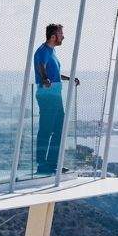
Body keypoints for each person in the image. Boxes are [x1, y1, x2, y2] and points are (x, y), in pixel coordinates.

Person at [33, 22, 79, 175]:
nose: (63, 37)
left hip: (55, 96)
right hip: (47, 96)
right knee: (46, 130)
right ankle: (41, 164)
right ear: (53, 36)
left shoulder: (52, 51)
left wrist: (70, 78)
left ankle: (53, 163)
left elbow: (55, 75)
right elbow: (41, 66)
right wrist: (45, 79)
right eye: (61, 34)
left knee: (59, 129)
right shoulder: (43, 51)